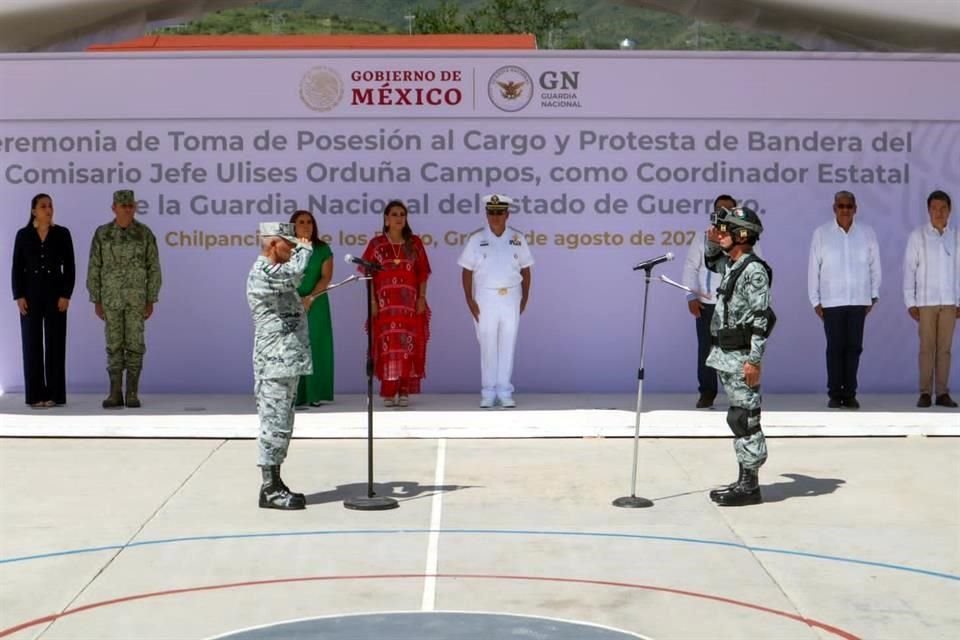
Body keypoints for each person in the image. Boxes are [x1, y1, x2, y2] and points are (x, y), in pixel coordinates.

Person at [703, 206, 773, 507]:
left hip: (742, 356)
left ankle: (750, 485)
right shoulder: (734, 265)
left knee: (746, 418)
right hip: (728, 355)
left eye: (726, 231)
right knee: (738, 416)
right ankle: (745, 478)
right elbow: (711, 261)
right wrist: (712, 241)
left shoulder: (753, 270)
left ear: (742, 235)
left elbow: (761, 319)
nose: (721, 235)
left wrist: (754, 361)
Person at [247, 221, 314, 510]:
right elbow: (294, 275)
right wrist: (306, 250)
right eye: (289, 244)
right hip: (274, 362)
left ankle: (275, 482)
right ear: (274, 244)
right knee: (273, 425)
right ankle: (269, 488)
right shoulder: (263, 271)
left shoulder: (275, 272)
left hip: (286, 361)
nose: (294, 248)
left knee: (283, 424)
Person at [86, 189, 161, 409]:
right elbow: (94, 267)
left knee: (135, 345)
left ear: (134, 207)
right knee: (114, 345)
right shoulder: (102, 234)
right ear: (114, 208)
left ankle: (132, 392)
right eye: (123, 206)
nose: (127, 209)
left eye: (130, 205)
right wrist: (96, 299)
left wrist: (151, 298)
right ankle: (115, 392)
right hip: (111, 299)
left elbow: (154, 268)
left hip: (136, 300)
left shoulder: (144, 234)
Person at [458, 194, 534, 408]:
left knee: (508, 343)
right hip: (485, 297)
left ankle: (505, 391)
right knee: (488, 344)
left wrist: (525, 297)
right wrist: (469, 298)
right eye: (491, 212)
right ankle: (488, 392)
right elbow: (466, 270)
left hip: (511, 295)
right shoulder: (476, 239)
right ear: (486, 214)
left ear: (507, 215)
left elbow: (526, 269)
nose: (495, 217)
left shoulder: (517, 238)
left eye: (499, 212)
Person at [807, 190, 881, 409]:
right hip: (832, 301)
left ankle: (849, 394)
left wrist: (873, 295)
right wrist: (815, 300)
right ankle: (834, 393)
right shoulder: (821, 234)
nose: (845, 210)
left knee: (854, 348)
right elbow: (813, 268)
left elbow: (875, 266)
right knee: (835, 348)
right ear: (834, 208)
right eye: (841, 206)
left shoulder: (867, 233)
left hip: (859, 300)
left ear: (855, 209)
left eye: (849, 206)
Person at [360, 200, 432, 407]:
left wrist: (421, 298)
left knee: (407, 346)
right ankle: (389, 391)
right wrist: (372, 301)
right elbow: (368, 275)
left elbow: (423, 273)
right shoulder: (376, 244)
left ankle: (404, 390)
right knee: (388, 346)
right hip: (385, 306)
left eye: (402, 214)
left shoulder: (414, 243)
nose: (399, 218)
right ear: (386, 219)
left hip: (409, 305)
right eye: (394, 214)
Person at [12, 193, 75, 408]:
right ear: (34, 211)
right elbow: (17, 267)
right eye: (43, 206)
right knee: (31, 343)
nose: (48, 209)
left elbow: (70, 267)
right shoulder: (23, 235)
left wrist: (66, 295)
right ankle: (35, 395)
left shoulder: (62, 233)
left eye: (50, 206)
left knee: (55, 343)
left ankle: (55, 394)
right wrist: (19, 295)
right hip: (30, 295)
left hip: (55, 295)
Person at [903, 190, 959, 408]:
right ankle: (925, 392)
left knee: (944, 350)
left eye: (943, 208)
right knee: (927, 349)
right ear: (928, 210)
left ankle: (942, 393)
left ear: (949, 210)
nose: (939, 212)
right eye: (934, 208)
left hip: (949, 302)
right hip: (926, 302)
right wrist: (911, 301)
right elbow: (909, 269)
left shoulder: (956, 237)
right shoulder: (918, 236)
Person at [683, 194, 737, 408]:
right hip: (707, 304)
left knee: (734, 350)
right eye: (719, 209)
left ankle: (736, 393)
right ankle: (707, 392)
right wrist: (690, 296)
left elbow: (756, 265)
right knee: (706, 350)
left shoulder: (744, 237)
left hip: (734, 304)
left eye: (728, 210)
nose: (723, 213)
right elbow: (691, 267)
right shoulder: (702, 237)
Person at [290, 210, 335, 407]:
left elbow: (326, 277)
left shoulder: (322, 248)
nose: (306, 225)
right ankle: (294, 394)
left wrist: (310, 298)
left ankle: (314, 393)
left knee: (316, 345)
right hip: (290, 302)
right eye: (301, 222)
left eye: (309, 222)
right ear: (293, 226)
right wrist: (294, 299)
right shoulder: (286, 247)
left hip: (316, 303)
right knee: (293, 347)